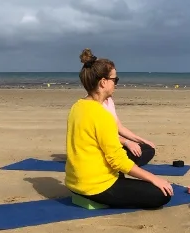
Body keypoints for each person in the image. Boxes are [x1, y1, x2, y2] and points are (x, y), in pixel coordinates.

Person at [65, 49, 174, 209]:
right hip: (96, 186)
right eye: (115, 80)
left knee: (141, 154)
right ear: (103, 82)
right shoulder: (102, 115)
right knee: (161, 194)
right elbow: (118, 161)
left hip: (76, 180)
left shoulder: (77, 106)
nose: (116, 84)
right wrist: (153, 178)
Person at [100, 96, 156, 167]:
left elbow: (119, 127)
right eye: (114, 84)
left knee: (148, 149)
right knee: (144, 152)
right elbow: (104, 135)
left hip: (116, 143)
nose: (115, 86)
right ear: (103, 84)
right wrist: (127, 142)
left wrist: (142, 140)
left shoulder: (109, 100)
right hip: (105, 147)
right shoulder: (95, 104)